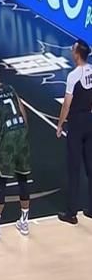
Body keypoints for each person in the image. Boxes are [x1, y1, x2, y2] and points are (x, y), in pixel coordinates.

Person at [0, 66, 31, 241]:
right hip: (21, 130)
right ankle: (24, 222)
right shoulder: (11, 89)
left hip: (8, 135)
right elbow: (23, 113)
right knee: (23, 177)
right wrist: (24, 134)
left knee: (1, 180)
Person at [57, 40, 92, 224]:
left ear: (77, 54)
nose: (71, 51)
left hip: (77, 122)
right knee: (91, 166)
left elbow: (67, 104)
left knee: (74, 168)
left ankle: (71, 212)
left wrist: (60, 124)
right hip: (89, 119)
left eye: (73, 49)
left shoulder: (73, 76)